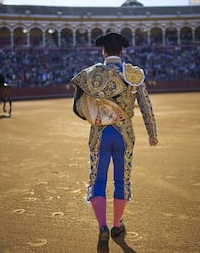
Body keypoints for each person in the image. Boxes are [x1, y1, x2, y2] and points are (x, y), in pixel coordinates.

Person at [71, 33, 158, 253]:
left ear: (103, 51)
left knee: (98, 181)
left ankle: (102, 226)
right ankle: (117, 226)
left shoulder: (91, 74)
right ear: (122, 51)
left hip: (100, 134)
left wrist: (95, 117)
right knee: (122, 182)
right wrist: (152, 133)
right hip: (124, 135)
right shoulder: (133, 74)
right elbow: (146, 106)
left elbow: (79, 106)